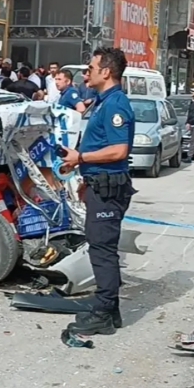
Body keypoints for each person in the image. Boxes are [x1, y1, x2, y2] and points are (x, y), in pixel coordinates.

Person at [59, 47, 135, 336]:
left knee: (103, 250)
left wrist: (80, 159)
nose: (84, 73)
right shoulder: (103, 102)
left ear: (106, 71)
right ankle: (110, 309)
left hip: (109, 188)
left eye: (90, 68)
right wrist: (81, 172)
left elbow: (118, 150)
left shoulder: (116, 104)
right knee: (101, 247)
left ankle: (103, 312)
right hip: (98, 183)